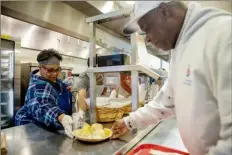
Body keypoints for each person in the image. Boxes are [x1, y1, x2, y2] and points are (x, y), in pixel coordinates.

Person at [110, 1, 231, 155]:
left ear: (164, 11)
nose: (147, 39)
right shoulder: (179, 49)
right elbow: (166, 102)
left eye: (147, 29)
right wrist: (129, 122)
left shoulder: (223, 35)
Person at [15, 49, 84, 138]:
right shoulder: (37, 86)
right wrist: (62, 117)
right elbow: (44, 106)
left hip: (48, 127)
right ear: (40, 67)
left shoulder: (55, 81)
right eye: (50, 70)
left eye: (57, 69)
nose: (54, 73)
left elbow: (63, 87)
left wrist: (70, 89)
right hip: (32, 130)